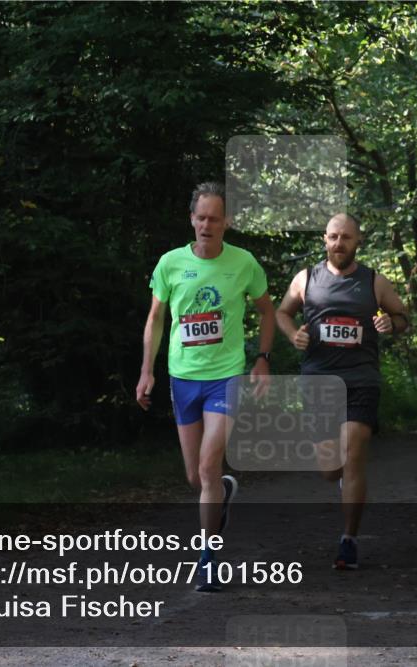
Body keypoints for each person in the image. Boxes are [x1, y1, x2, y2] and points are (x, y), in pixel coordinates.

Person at [137, 181, 275, 591]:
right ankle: (223, 493)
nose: (207, 225)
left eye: (215, 218)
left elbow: (267, 312)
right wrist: (147, 371)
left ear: (226, 222)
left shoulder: (243, 263)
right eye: (201, 217)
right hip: (183, 377)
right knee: (195, 478)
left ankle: (208, 560)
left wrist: (262, 359)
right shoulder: (170, 264)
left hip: (226, 377)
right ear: (191, 219)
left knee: (208, 466)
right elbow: (155, 318)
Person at [276, 213, 408, 570]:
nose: (339, 243)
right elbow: (283, 313)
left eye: (346, 237)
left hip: (361, 380)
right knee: (329, 469)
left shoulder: (374, 281)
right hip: (318, 381)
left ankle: (348, 540)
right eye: (333, 236)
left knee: (353, 453)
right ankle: (342, 482)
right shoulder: (306, 279)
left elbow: (403, 317)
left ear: (358, 241)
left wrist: (390, 322)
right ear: (325, 239)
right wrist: (293, 334)